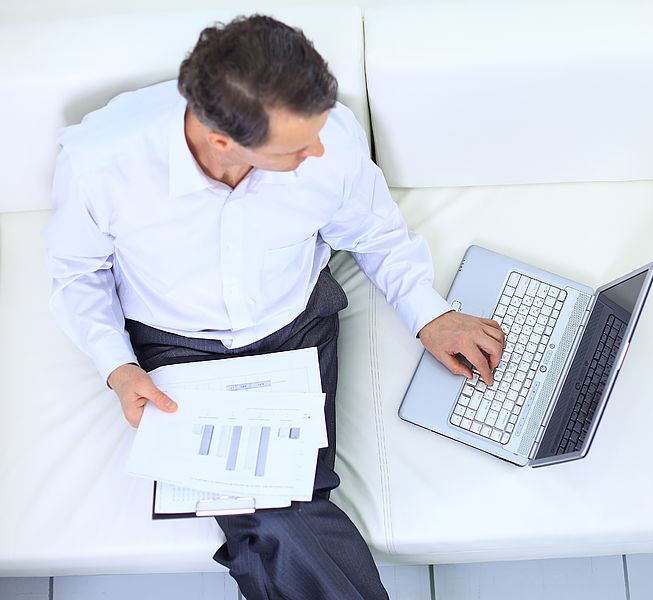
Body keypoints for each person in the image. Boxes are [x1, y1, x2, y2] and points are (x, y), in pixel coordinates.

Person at [44, 14, 505, 600]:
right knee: (280, 515)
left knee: (274, 516)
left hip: (296, 326)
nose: (319, 149)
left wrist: (431, 314)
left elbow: (376, 232)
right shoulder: (101, 163)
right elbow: (76, 274)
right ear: (223, 143)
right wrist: (118, 366)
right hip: (176, 346)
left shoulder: (327, 133)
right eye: (296, 147)